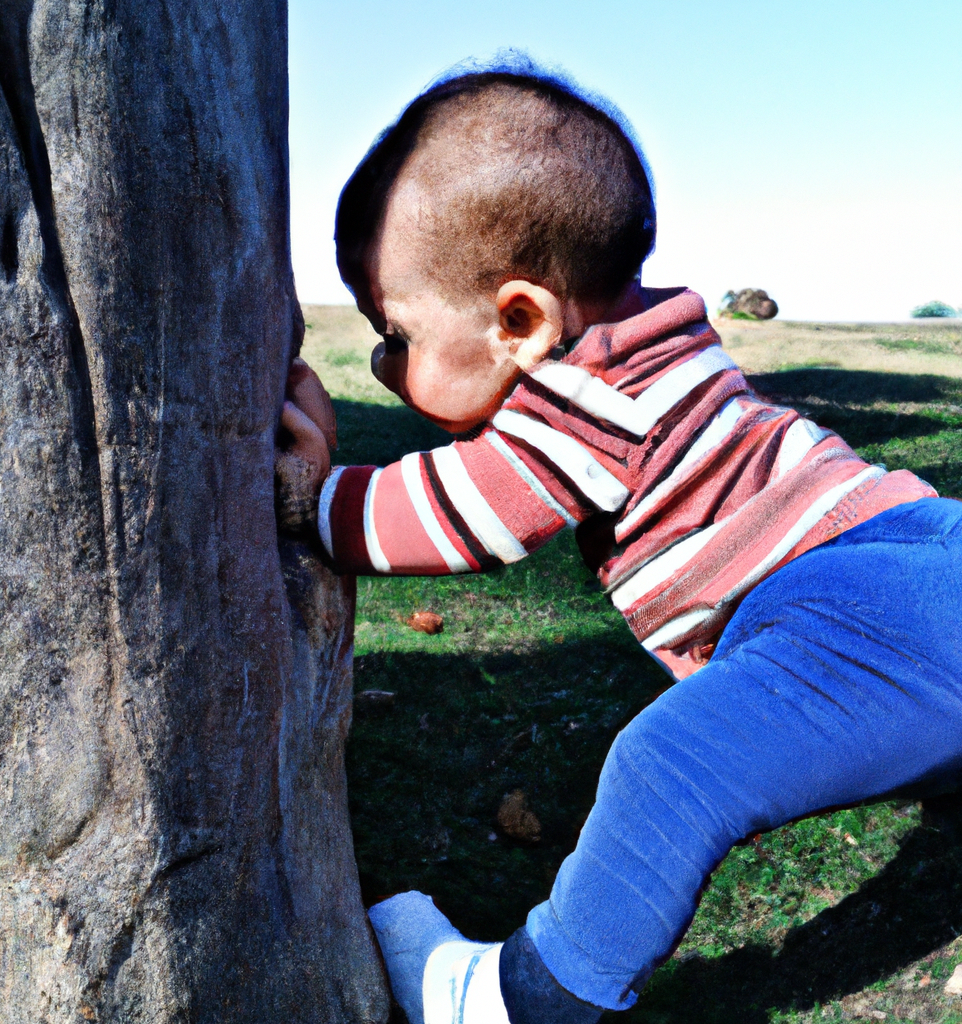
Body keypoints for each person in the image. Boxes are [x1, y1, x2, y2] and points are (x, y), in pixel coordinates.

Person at [277, 58, 962, 1024]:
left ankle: (529, 995)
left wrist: (315, 497)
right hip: (917, 540)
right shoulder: (662, 340)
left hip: (837, 600)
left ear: (520, 320)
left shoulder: (587, 402)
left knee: (674, 762)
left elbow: (460, 517)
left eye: (397, 335)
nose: (387, 367)